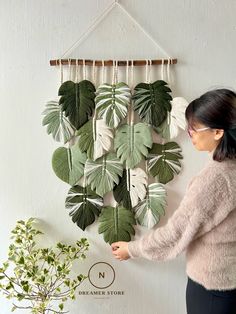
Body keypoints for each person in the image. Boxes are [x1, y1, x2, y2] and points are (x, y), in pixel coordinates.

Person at [111, 89, 236, 314]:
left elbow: (176, 233)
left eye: (194, 128)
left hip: (214, 291)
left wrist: (133, 248)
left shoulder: (217, 179)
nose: (190, 133)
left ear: (218, 132)